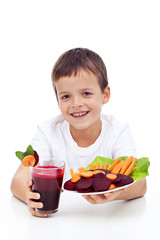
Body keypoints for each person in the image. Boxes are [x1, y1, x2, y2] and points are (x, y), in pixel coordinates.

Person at [11, 48, 146, 217]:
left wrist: (115, 193)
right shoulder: (48, 132)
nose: (76, 103)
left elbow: (140, 185)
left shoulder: (117, 132)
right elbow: (17, 180)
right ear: (58, 101)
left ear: (105, 94)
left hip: (108, 221)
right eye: (66, 96)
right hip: (58, 222)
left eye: (86, 93)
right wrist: (30, 197)